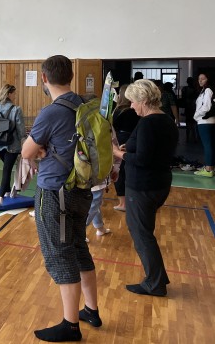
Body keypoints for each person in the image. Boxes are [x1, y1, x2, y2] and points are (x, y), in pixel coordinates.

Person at [21, 55, 100, 342]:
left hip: (56, 191)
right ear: (71, 75)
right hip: (82, 189)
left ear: (44, 78)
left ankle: (70, 325)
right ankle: (91, 310)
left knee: (60, 254)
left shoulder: (51, 112)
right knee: (78, 248)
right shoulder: (85, 105)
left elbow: (27, 152)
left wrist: (40, 149)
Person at [112, 79, 178, 296]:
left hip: (143, 186)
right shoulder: (165, 119)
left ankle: (155, 283)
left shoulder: (149, 123)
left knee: (141, 234)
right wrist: (130, 146)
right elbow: (152, 149)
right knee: (144, 232)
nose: (131, 106)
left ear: (143, 100)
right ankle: (158, 277)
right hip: (159, 182)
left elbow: (143, 159)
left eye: (133, 102)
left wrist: (118, 153)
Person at [0, 84, 25, 207]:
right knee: (7, 169)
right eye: (14, 93)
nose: (15, 96)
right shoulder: (16, 109)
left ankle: (7, 191)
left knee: (7, 167)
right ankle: (0, 198)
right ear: (9, 94)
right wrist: (24, 142)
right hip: (12, 145)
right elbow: (21, 130)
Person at [111, 84, 140, 211]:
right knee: (130, 170)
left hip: (121, 140)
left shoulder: (118, 110)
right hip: (133, 140)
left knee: (120, 170)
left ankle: (123, 203)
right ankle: (131, 200)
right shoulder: (133, 110)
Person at [193, 73, 215, 177]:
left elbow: (206, 107)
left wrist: (196, 116)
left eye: (203, 79)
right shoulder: (204, 91)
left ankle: (208, 169)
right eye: (199, 79)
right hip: (208, 121)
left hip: (205, 122)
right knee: (210, 145)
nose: (200, 81)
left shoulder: (207, 90)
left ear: (208, 79)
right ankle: (211, 167)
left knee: (208, 145)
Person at [181, 77, 198, 143]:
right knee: (193, 124)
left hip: (188, 108)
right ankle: (194, 138)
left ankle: (188, 138)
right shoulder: (195, 89)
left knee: (188, 124)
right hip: (193, 108)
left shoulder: (185, 89)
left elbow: (183, 98)